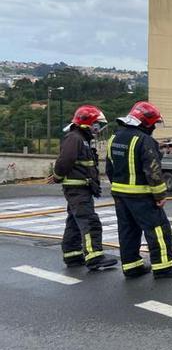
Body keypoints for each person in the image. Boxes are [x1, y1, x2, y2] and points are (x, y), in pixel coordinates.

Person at [106, 101, 172, 279]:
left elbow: (109, 169)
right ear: (146, 123)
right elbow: (153, 171)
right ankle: (163, 267)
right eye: (153, 124)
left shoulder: (114, 138)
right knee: (158, 229)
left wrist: (119, 188)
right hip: (141, 195)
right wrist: (159, 195)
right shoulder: (144, 140)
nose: (154, 128)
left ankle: (131, 266)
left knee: (127, 230)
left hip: (119, 194)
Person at [50, 105, 117, 270]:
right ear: (87, 123)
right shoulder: (75, 138)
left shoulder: (81, 139)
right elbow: (65, 160)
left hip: (80, 188)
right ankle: (94, 256)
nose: (98, 128)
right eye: (97, 124)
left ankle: (72, 255)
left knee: (74, 222)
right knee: (89, 221)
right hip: (78, 189)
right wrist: (58, 176)